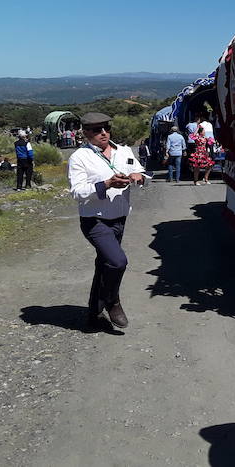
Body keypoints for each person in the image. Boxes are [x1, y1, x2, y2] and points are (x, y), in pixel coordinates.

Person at [67, 112, 146, 331]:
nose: (103, 133)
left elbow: (138, 169)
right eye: (96, 130)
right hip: (95, 220)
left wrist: (138, 177)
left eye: (106, 128)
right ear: (85, 133)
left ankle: (93, 314)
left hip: (119, 218)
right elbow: (77, 192)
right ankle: (113, 301)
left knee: (104, 265)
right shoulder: (79, 157)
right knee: (117, 262)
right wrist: (106, 184)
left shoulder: (124, 151)